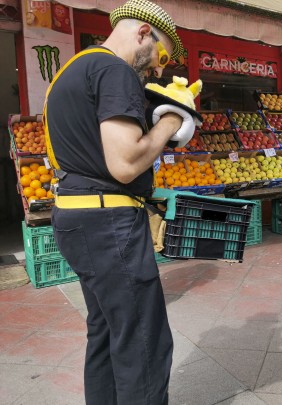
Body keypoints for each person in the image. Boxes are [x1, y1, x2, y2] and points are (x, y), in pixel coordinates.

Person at [44, 1, 196, 403]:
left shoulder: (73, 69)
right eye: (163, 54)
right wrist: (171, 119)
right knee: (144, 342)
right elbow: (125, 163)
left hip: (77, 217)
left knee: (108, 331)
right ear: (143, 32)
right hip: (109, 223)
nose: (160, 68)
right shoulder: (115, 71)